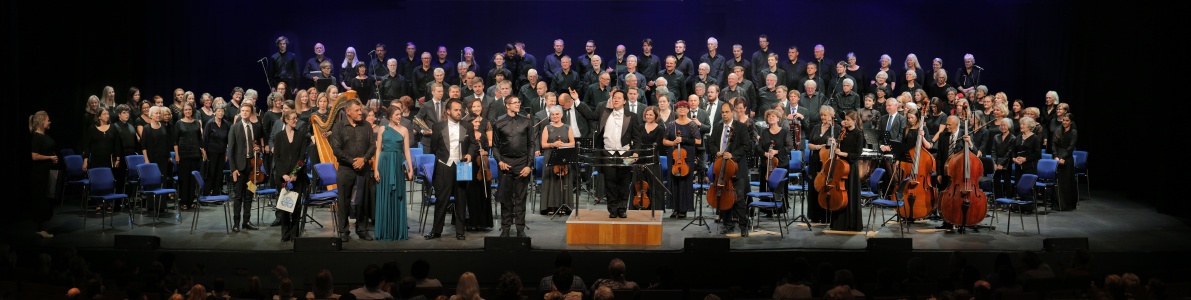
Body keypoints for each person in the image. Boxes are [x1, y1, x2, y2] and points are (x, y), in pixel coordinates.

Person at [426, 99, 477, 240]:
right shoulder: (437, 127)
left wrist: (470, 154)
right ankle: (436, 231)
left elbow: (474, 144)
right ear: (448, 111)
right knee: (442, 199)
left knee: (461, 199)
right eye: (456, 110)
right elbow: (434, 147)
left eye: (460, 110)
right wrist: (443, 158)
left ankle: (460, 231)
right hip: (444, 166)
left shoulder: (468, 126)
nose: (459, 112)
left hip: (462, 165)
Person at [329, 98, 376, 242]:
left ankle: (362, 229)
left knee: (363, 200)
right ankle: (344, 231)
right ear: (348, 112)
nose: (360, 112)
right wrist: (352, 162)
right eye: (357, 110)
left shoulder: (367, 126)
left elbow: (372, 145)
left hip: (363, 168)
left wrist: (363, 159)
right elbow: (336, 149)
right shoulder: (338, 127)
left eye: (360, 109)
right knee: (344, 201)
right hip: (345, 169)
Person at [595, 90, 644, 218]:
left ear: (624, 101)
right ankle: (612, 209)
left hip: (626, 154)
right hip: (607, 153)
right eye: (614, 98)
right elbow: (589, 114)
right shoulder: (604, 114)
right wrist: (576, 100)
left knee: (624, 182)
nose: (615, 100)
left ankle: (622, 208)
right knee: (610, 183)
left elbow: (637, 138)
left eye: (618, 98)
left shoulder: (632, 116)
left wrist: (636, 153)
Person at [706, 102, 752, 234]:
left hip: (736, 168)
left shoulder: (741, 127)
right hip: (721, 167)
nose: (724, 114)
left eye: (727, 112)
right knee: (724, 197)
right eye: (723, 112)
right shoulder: (717, 127)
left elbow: (746, 145)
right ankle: (728, 224)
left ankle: (744, 226)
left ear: (733, 112)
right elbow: (711, 144)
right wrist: (717, 152)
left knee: (738, 198)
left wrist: (733, 155)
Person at [493, 95, 534, 237]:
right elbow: (495, 146)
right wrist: (499, 161)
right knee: (506, 197)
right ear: (507, 105)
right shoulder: (498, 123)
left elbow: (531, 145)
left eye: (519, 102)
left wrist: (529, 165)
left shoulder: (526, 122)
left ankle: (520, 229)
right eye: (514, 102)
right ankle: (505, 228)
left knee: (521, 197)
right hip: (505, 163)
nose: (518, 104)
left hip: (522, 163)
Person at [372, 106, 414, 242]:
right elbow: (378, 150)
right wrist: (376, 169)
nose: (399, 116)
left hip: (397, 163)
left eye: (400, 114)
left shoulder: (404, 130)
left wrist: (410, 168)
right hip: (384, 163)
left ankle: (397, 230)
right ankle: (384, 230)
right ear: (390, 116)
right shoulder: (382, 129)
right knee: (384, 195)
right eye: (396, 114)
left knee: (397, 196)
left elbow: (406, 151)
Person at [272, 110, 310, 242]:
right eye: (293, 118)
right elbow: (277, 158)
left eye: (296, 119)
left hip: (297, 177)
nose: (296, 121)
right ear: (286, 120)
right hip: (283, 177)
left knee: (296, 206)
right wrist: (284, 174)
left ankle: (295, 234)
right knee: (284, 206)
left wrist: (294, 174)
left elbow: (302, 157)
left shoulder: (300, 136)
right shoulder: (278, 136)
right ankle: (285, 234)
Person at [827, 111, 866, 232]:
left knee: (850, 194)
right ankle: (838, 223)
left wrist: (841, 153)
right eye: (845, 119)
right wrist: (835, 144)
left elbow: (857, 154)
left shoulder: (858, 134)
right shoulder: (842, 132)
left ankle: (851, 223)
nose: (845, 122)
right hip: (840, 166)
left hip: (850, 167)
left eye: (848, 120)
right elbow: (837, 148)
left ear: (854, 121)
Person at [227, 104, 262, 232]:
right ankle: (236, 223)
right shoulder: (234, 127)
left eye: (247, 111)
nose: (244, 113)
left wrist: (258, 149)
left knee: (249, 194)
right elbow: (230, 150)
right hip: (240, 166)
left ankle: (246, 221)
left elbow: (257, 145)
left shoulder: (254, 127)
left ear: (251, 113)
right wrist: (233, 169)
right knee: (238, 196)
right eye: (242, 111)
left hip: (252, 167)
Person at [463, 98, 495, 231]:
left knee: (482, 193)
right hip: (467, 165)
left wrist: (485, 152)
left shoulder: (483, 132)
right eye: (475, 122)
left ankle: (482, 221)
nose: (477, 123)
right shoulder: (465, 133)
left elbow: (489, 145)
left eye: (478, 122)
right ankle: (468, 221)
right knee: (468, 193)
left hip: (481, 166)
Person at [664, 101, 701, 217]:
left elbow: (698, 141)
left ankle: (683, 209)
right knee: (674, 181)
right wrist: (673, 142)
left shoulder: (692, 125)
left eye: (684, 108)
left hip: (687, 156)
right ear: (676, 110)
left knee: (685, 182)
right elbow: (664, 141)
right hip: (674, 156)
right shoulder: (671, 124)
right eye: (679, 108)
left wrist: (684, 140)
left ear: (688, 110)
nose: (682, 110)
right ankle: (675, 208)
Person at [805, 106, 840, 224]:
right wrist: (816, 147)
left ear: (831, 116)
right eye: (822, 115)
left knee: (824, 186)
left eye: (825, 115)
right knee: (814, 185)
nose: (823, 117)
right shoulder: (816, 127)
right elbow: (809, 143)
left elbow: (838, 146)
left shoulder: (836, 128)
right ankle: (814, 214)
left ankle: (825, 214)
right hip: (815, 159)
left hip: (826, 161)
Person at [539, 105, 576, 216]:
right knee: (551, 182)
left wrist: (563, 145)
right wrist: (553, 144)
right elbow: (543, 144)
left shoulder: (567, 127)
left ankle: (563, 206)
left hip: (563, 156)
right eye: (552, 114)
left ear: (561, 115)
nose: (555, 116)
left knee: (563, 181)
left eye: (557, 114)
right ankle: (550, 207)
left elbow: (573, 142)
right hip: (550, 155)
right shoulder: (547, 128)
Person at [30, 111, 57, 238]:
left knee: (47, 197)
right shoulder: (37, 136)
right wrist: (50, 158)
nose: (49, 122)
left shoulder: (44, 135)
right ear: (42, 122)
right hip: (40, 172)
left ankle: (43, 226)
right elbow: (34, 156)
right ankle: (40, 228)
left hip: (47, 171)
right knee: (41, 198)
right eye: (48, 120)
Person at [173, 102, 205, 210]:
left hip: (195, 154)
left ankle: (191, 201)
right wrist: (177, 155)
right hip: (183, 155)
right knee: (184, 179)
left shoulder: (196, 123)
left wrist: (203, 151)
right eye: (186, 110)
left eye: (189, 110)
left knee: (192, 179)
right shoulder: (179, 123)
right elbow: (175, 141)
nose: (188, 111)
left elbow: (200, 139)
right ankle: (184, 202)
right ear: (183, 111)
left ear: (193, 111)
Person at [637, 106, 667, 212]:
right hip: (640, 159)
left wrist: (647, 159)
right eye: (647, 114)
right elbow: (637, 143)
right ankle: (639, 205)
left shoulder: (660, 128)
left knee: (654, 186)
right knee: (638, 184)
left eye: (651, 114)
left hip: (653, 159)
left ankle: (656, 208)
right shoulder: (640, 127)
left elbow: (658, 146)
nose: (648, 116)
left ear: (656, 116)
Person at [1051, 113, 1078, 211]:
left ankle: (1066, 205)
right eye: (1063, 120)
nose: (1065, 122)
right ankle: (1057, 204)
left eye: (1067, 120)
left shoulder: (1073, 132)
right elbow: (1054, 144)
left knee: (1066, 182)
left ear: (1071, 121)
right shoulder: (1059, 131)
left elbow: (1071, 147)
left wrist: (1063, 157)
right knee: (1058, 181)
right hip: (1057, 157)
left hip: (1067, 158)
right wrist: (1055, 156)